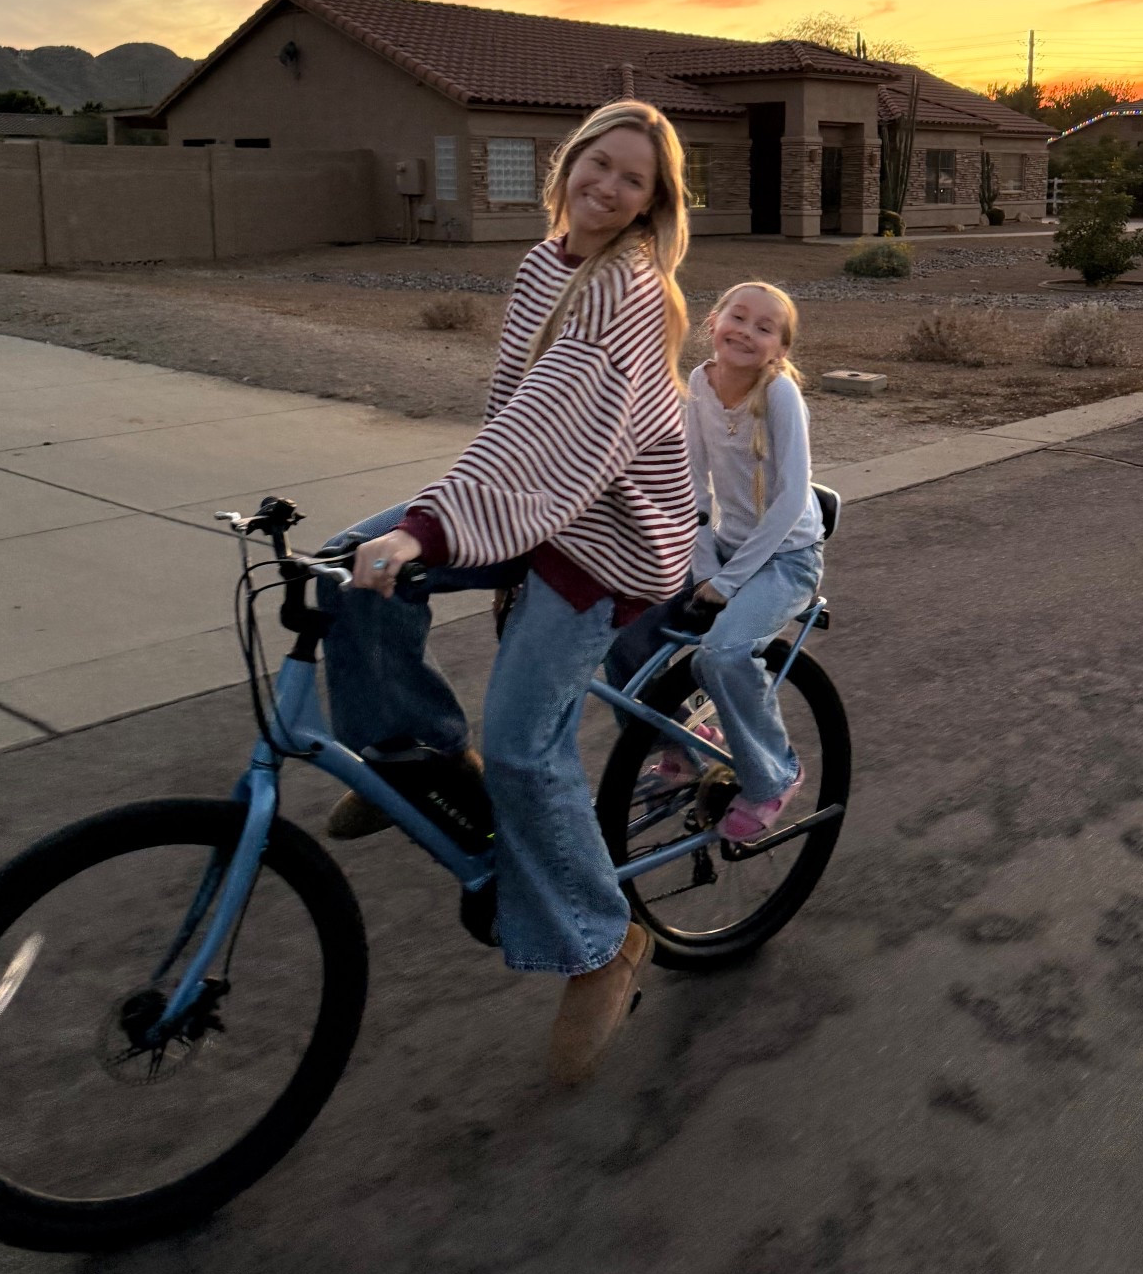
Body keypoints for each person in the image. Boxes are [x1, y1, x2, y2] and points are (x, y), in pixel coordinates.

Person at [318, 99, 695, 1086]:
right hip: (537, 501)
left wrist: (437, 524)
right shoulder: (544, 265)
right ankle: (417, 755)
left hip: (611, 537)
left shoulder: (633, 292)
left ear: (655, 203)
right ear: (567, 163)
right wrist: (441, 521)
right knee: (349, 564)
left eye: (633, 179)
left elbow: (561, 436)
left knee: (528, 744)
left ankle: (604, 943)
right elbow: (518, 421)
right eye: (598, 164)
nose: (608, 187)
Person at [668, 281, 824, 838]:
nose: (747, 332)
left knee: (723, 653)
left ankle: (776, 774)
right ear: (713, 322)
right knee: (629, 620)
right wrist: (705, 566)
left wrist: (727, 583)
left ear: (780, 349)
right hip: (727, 552)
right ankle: (684, 743)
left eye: (766, 328)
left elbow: (790, 500)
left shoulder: (780, 395)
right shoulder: (699, 383)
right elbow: (692, 485)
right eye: (738, 317)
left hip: (788, 558)